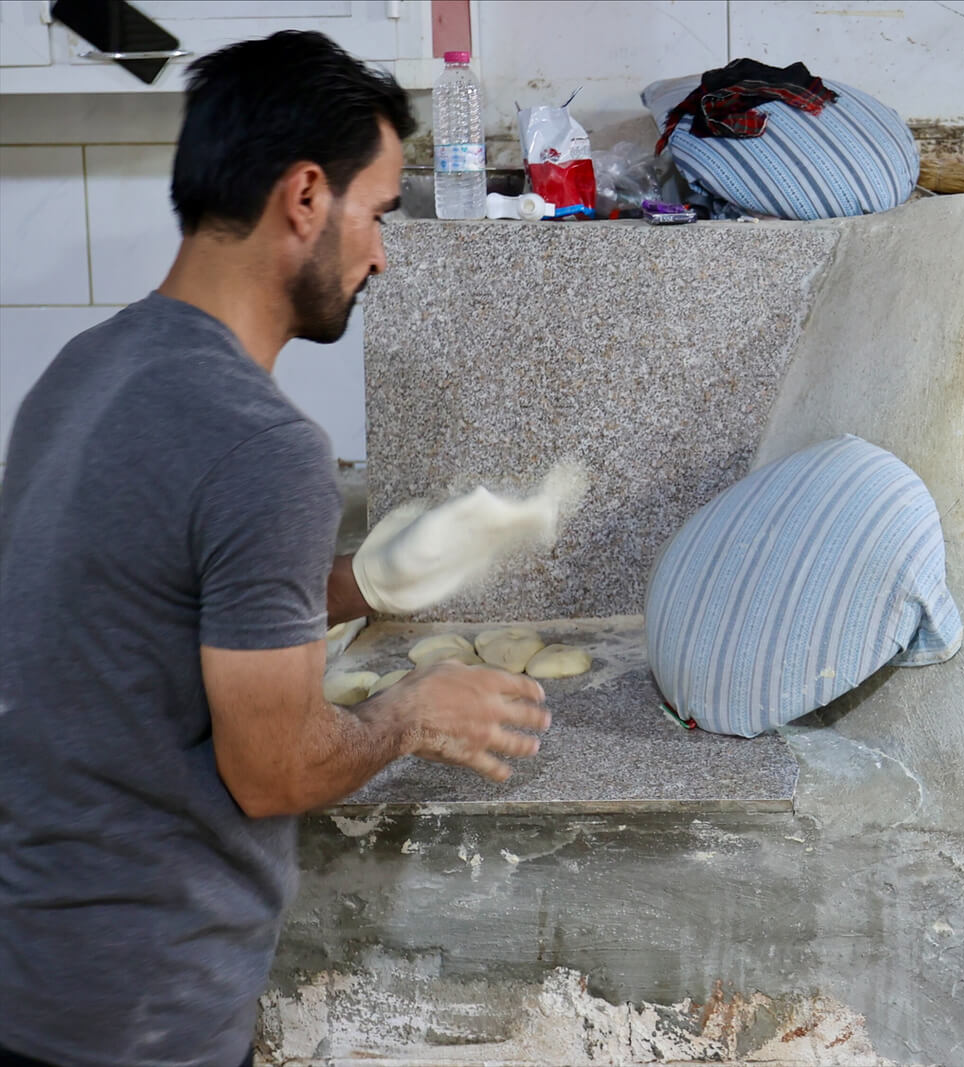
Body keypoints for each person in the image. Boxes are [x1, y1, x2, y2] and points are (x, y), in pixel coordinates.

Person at [0, 32, 553, 1067]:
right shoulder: (264, 445)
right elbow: (273, 768)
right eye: (380, 212)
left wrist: (361, 582)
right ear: (306, 195)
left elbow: (136, 606)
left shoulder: (83, 372)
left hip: (35, 959)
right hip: (140, 1006)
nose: (383, 252)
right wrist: (410, 714)